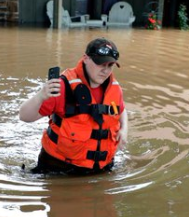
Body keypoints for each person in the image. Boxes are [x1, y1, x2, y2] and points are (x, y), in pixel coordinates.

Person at [19, 38, 128, 175]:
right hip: (59, 169)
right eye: (100, 64)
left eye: (110, 65)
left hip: (102, 168)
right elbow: (24, 116)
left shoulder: (113, 87)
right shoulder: (63, 87)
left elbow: (121, 110)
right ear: (86, 58)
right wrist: (41, 95)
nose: (105, 71)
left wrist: (124, 129)